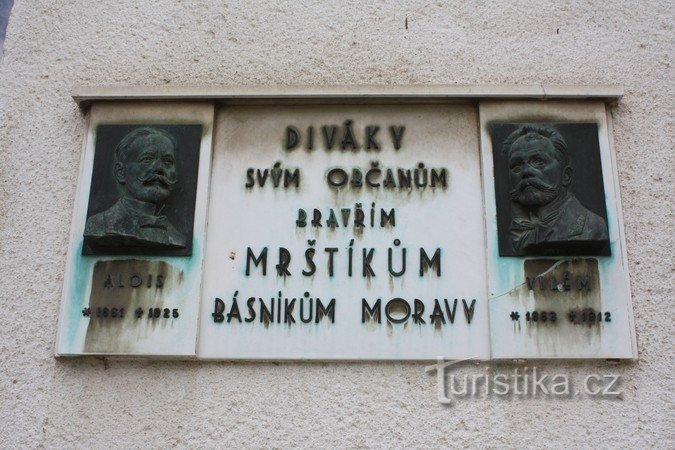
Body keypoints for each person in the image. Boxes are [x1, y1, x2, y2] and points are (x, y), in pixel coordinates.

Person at [502, 125, 608, 255]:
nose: (526, 171)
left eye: (538, 162)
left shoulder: (593, 227)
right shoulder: (515, 228)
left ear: (565, 176)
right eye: (516, 165)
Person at [84, 127, 186, 251]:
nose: (159, 168)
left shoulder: (177, 237)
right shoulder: (99, 225)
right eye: (147, 159)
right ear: (120, 172)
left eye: (168, 161)